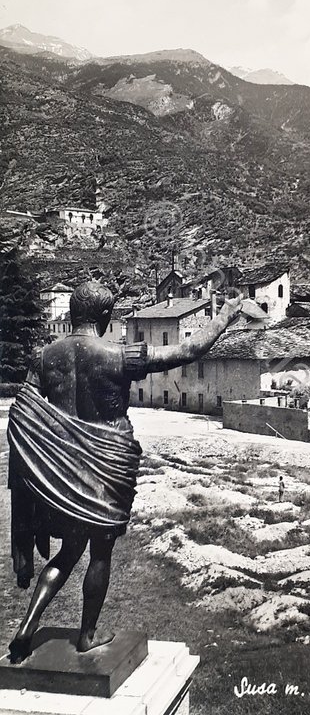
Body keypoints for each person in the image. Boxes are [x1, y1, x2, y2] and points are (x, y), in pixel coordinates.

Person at [7, 281, 241, 663]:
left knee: (68, 551)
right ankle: (86, 636)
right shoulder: (119, 356)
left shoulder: (44, 357)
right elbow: (191, 349)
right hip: (107, 465)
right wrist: (227, 314)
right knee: (100, 552)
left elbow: (25, 413)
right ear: (104, 317)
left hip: (63, 473)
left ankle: (26, 626)